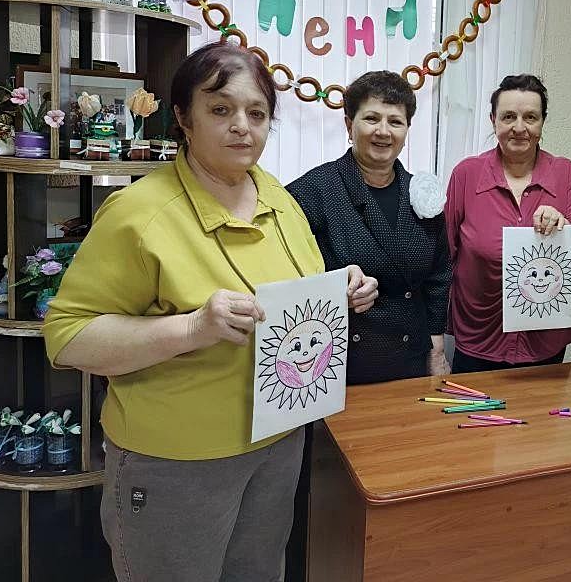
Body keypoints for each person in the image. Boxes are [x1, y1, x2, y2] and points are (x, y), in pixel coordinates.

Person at [42, 42, 378, 582]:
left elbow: (286, 298)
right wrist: (193, 327)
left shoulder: (278, 198)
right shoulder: (140, 213)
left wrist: (339, 289)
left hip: (277, 442)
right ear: (183, 118)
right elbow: (68, 336)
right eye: (221, 109)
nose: (242, 126)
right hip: (178, 461)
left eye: (257, 113)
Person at [286, 71, 451, 384]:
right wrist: (335, 288)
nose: (383, 131)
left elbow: (438, 275)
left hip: (412, 360)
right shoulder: (312, 191)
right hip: (337, 363)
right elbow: (288, 277)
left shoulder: (422, 193)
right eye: (372, 118)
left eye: (395, 122)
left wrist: (437, 346)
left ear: (407, 130)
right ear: (349, 124)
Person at [446, 74, 571, 372]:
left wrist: (565, 229)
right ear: (493, 120)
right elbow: (444, 254)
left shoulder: (566, 173)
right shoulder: (467, 174)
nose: (519, 127)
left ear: (542, 122)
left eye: (530, 117)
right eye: (508, 117)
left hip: (544, 339)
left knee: (542, 405)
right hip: (479, 336)